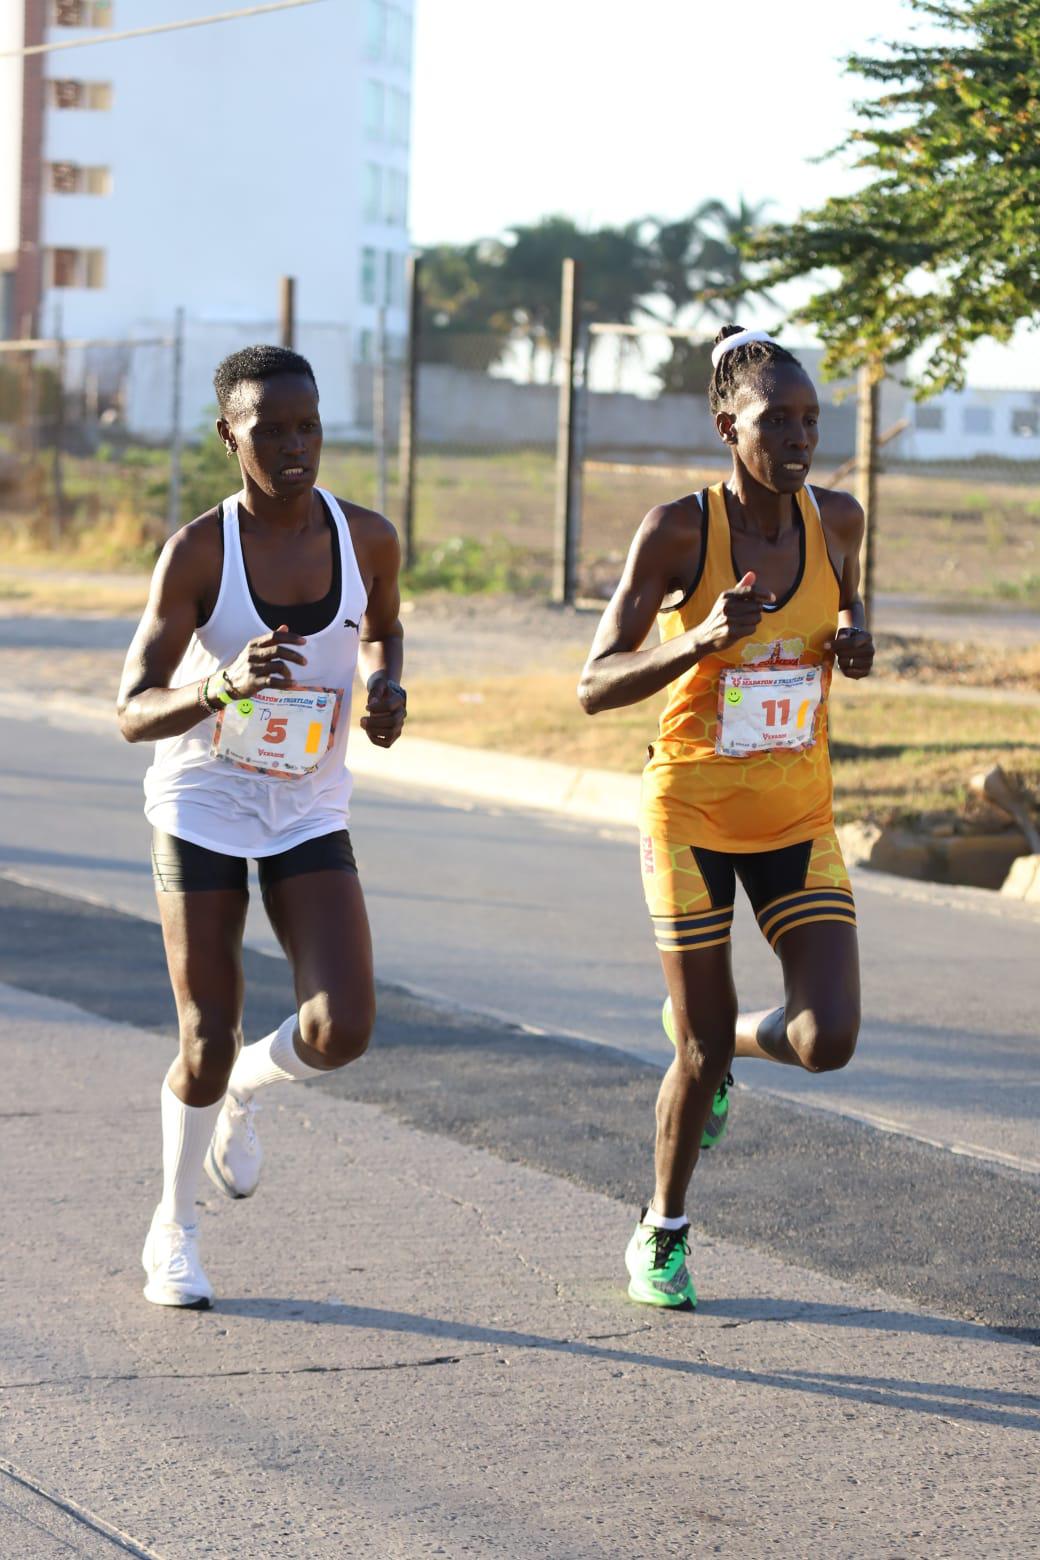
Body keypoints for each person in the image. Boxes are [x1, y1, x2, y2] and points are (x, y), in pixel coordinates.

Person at [579, 325, 874, 1311]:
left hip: (796, 812)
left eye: (808, 421)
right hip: (692, 812)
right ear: (724, 425)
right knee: (695, 1055)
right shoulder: (678, 531)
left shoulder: (837, 518)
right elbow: (594, 683)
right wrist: (700, 639)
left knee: (827, 1035)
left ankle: (722, 1039)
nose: (797, 438)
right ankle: (660, 1231)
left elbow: (843, 613)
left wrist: (852, 639)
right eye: (773, 420)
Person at [117, 344, 406, 1309]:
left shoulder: (367, 536)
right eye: (270, 429)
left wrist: (384, 686)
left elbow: (382, 629)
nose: (294, 447)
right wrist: (221, 683)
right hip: (203, 798)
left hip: (307, 803)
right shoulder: (202, 551)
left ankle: (245, 1084)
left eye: (308, 426)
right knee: (203, 1031)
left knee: (344, 1026)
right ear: (228, 435)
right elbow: (131, 708)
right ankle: (173, 1232)